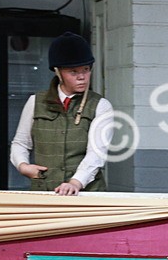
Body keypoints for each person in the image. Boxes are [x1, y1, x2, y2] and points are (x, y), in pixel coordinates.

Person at [10, 32, 114, 195]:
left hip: (87, 193)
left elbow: (96, 153)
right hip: (44, 191)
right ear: (58, 72)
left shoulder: (101, 106)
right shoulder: (35, 102)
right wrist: (23, 166)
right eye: (73, 72)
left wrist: (75, 182)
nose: (82, 77)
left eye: (86, 70)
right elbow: (21, 143)